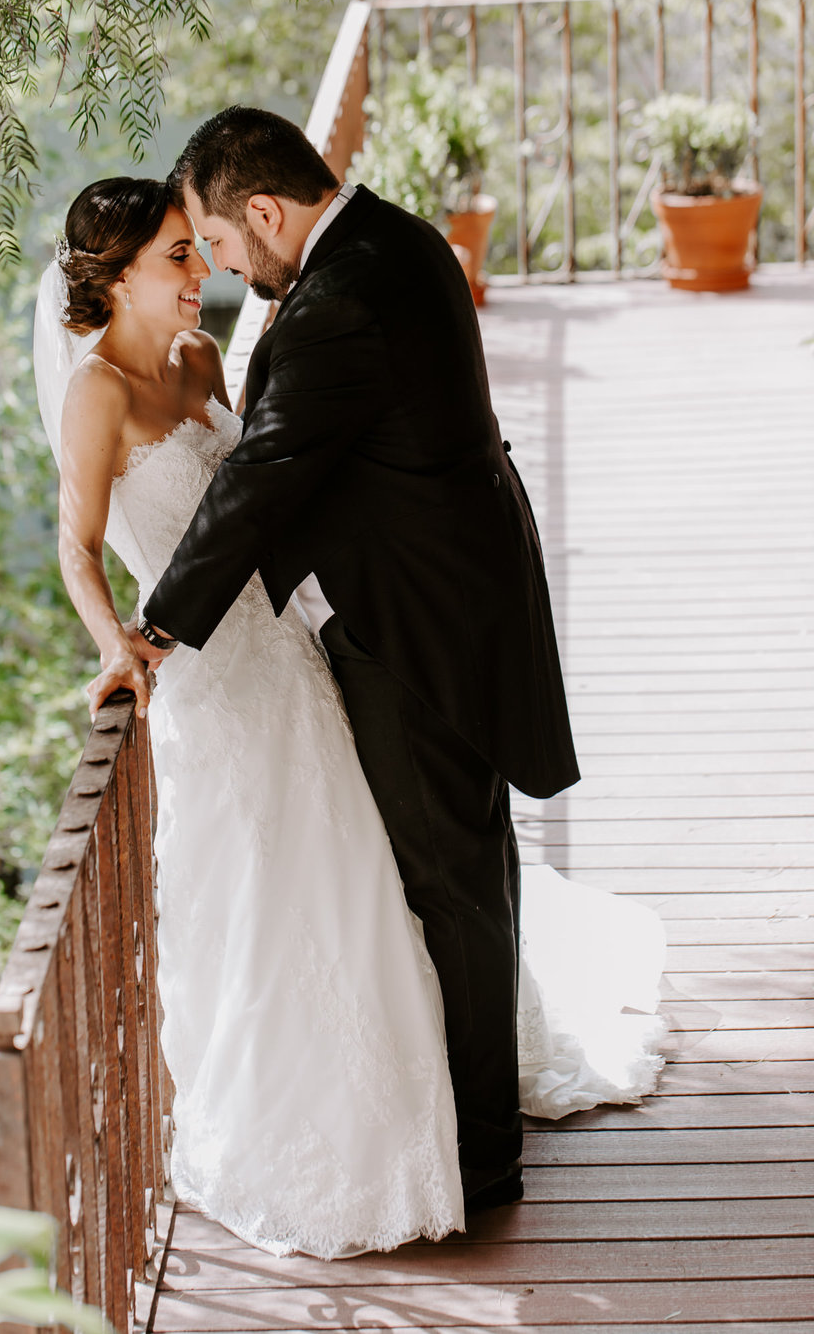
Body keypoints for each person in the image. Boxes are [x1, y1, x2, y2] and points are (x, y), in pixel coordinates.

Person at [33, 172, 666, 1261]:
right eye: (178, 259)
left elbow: (267, 485)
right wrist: (116, 651)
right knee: (267, 903)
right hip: (210, 689)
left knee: (362, 884)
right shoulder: (96, 392)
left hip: (291, 655)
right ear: (118, 277)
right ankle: (317, 1127)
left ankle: (420, 1120)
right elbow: (76, 547)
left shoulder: (196, 361)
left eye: (202, 250)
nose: (203, 276)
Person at [125, 106, 580, 1209]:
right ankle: (488, 1105)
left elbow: (266, 475)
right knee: (469, 862)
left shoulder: (338, 302)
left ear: (267, 212)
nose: (229, 271)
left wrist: (154, 631)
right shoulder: (393, 237)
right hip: (451, 595)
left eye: (226, 247)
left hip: (414, 627)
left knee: (448, 881)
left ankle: (482, 1159)